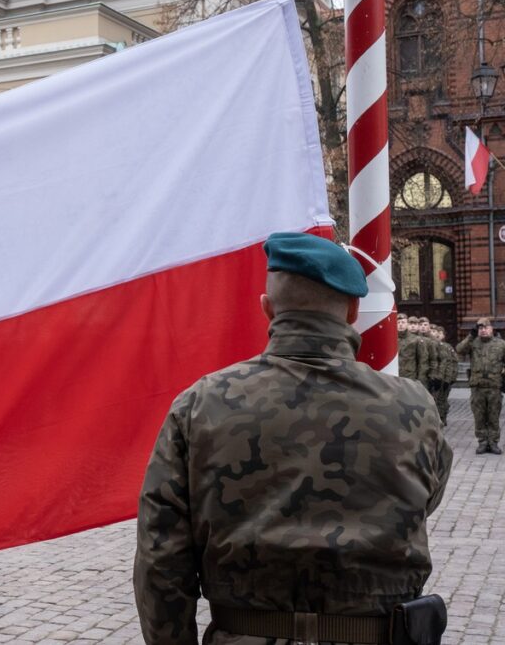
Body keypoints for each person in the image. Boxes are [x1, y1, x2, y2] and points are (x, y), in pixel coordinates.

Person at [134, 232, 452, 645]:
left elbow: (161, 557)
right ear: (353, 309)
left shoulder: (200, 404)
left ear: (268, 309)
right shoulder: (415, 407)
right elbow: (427, 498)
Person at [455, 317, 505, 454]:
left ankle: (493, 442)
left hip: (495, 386)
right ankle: (482, 442)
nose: (483, 330)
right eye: (480, 328)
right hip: (477, 387)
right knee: (479, 416)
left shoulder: (501, 344)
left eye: (486, 328)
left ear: (491, 329)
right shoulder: (473, 343)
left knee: (494, 416)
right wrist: (470, 336)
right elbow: (459, 349)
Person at [431, 326, 458, 425]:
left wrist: (450, 379)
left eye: (439, 333)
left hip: (445, 378)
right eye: (434, 332)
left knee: (442, 401)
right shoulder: (431, 345)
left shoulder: (447, 347)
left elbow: (452, 363)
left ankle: (442, 419)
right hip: (435, 377)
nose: (437, 334)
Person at [397, 313, 420, 380]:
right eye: (398, 322)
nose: (400, 324)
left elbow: (422, 361)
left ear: (407, 324)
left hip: (410, 375)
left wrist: (421, 379)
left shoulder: (415, 339)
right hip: (395, 374)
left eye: (403, 322)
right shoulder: (391, 339)